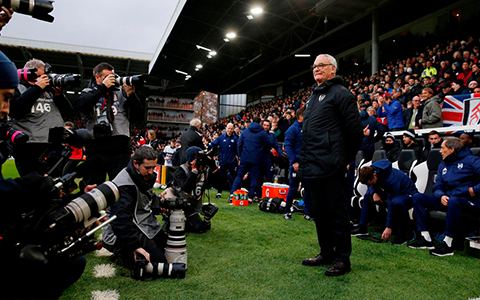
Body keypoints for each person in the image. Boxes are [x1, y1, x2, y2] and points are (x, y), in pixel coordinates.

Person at [299, 54, 363, 276]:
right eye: (314, 66)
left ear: (333, 69)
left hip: (332, 164)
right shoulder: (312, 97)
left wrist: (345, 159)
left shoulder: (341, 94)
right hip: (313, 164)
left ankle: (342, 259)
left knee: (336, 213)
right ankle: (326, 252)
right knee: (320, 213)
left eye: (321, 65)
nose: (316, 69)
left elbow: (355, 132)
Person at [408, 138, 480, 256]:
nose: (440, 151)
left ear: (451, 150)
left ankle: (448, 244)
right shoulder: (443, 165)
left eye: (443, 148)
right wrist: (441, 196)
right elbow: (437, 187)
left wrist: (473, 190)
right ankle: (426, 238)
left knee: (454, 200)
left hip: (469, 201)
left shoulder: (472, 161)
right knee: (417, 197)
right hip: (448, 200)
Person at [102, 146, 170, 270]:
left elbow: (146, 197)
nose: (151, 171)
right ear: (135, 164)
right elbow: (120, 221)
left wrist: (158, 204)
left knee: (168, 250)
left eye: (153, 167)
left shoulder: (141, 176)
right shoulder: (124, 185)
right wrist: (135, 246)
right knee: (157, 263)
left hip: (140, 223)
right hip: (119, 231)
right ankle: (123, 254)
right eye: (147, 167)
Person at [76, 62, 141, 185]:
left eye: (113, 76)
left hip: (120, 147)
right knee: (93, 186)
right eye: (107, 77)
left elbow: (137, 116)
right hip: (96, 146)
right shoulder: (89, 92)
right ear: (97, 77)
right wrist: (102, 88)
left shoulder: (122, 92)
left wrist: (132, 96)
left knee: (121, 186)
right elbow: (81, 105)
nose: (112, 80)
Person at [9, 58, 73, 176]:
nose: (42, 79)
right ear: (28, 73)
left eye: (44, 76)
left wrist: (59, 96)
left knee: (54, 184)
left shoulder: (49, 91)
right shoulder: (18, 88)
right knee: (34, 184)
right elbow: (16, 110)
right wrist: (37, 88)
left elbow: (68, 113)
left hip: (52, 144)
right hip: (29, 146)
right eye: (38, 76)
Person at [351, 159, 418, 244]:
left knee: (396, 202)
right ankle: (362, 226)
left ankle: (403, 233)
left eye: (371, 183)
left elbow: (391, 202)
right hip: (391, 194)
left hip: (408, 195)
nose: (371, 186)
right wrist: (374, 192)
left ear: (374, 175)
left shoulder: (391, 179)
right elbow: (371, 187)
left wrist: (388, 227)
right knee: (368, 196)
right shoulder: (373, 169)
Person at [172, 146, 218, 233]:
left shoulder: (204, 171)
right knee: (178, 226)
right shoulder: (181, 171)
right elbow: (186, 188)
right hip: (178, 205)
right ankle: (170, 221)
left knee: (200, 228)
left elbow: (221, 184)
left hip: (191, 206)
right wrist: (195, 169)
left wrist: (213, 165)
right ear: (191, 161)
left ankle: (204, 219)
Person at [230, 117, 274, 201]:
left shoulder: (245, 131)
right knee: (254, 178)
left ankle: (232, 193)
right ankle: (250, 197)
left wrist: (240, 156)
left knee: (239, 176)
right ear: (260, 123)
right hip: (256, 159)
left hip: (245, 157)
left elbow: (239, 145)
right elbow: (269, 143)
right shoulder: (262, 133)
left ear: (251, 121)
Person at [283, 107, 313, 221]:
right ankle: (287, 212)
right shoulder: (293, 129)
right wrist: (294, 162)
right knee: (293, 189)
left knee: (308, 189)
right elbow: (288, 146)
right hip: (296, 164)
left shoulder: (307, 129)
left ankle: (307, 213)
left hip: (307, 164)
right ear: (301, 117)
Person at [207, 123, 238, 198]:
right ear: (226, 128)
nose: (230, 130)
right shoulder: (220, 138)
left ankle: (232, 192)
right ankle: (219, 192)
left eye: (231, 128)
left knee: (232, 177)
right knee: (221, 178)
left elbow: (239, 148)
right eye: (228, 128)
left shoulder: (236, 138)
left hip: (232, 162)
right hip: (223, 161)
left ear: (233, 129)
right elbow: (212, 144)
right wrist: (206, 146)